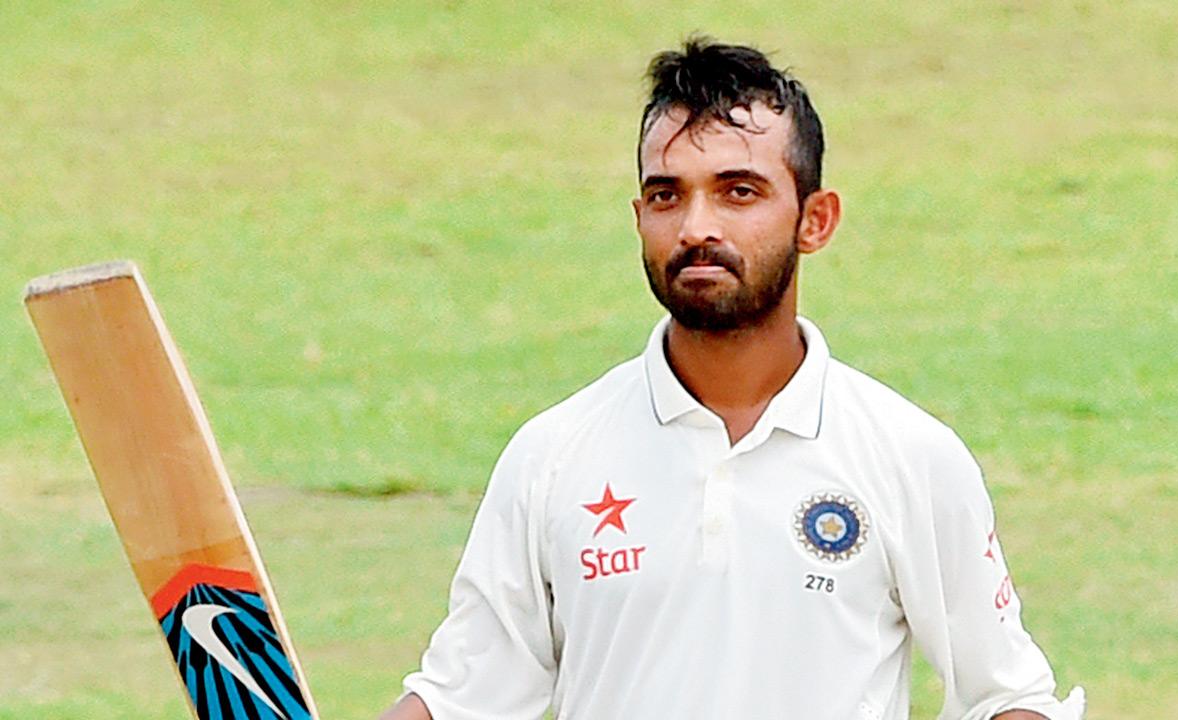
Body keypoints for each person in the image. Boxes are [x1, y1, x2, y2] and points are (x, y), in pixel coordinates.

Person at [380, 37, 1085, 720]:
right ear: (639, 218)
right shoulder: (552, 456)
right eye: (665, 196)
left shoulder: (910, 457)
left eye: (738, 192)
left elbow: (1005, 696)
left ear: (816, 220)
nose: (695, 228)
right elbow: (462, 697)